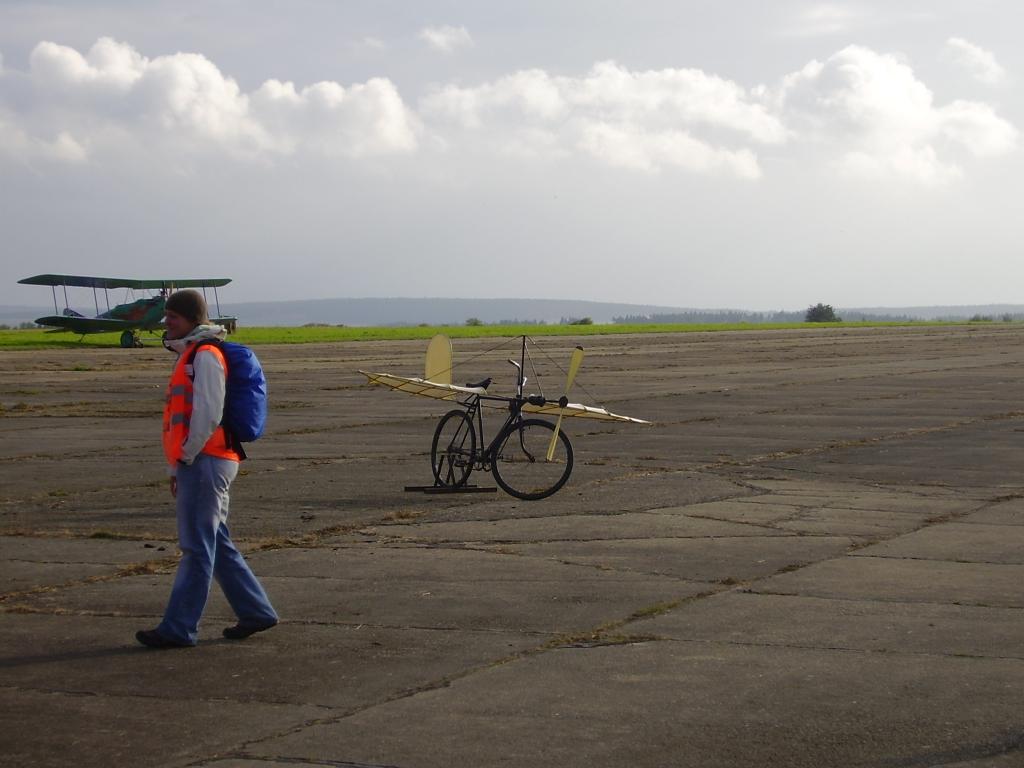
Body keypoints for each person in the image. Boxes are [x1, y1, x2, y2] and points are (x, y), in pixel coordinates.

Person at [136, 289, 277, 649]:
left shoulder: (206, 355)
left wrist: (185, 455)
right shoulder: (192, 354)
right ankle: (256, 611)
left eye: (173, 316)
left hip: (206, 460)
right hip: (200, 461)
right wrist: (176, 466)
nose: (167, 322)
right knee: (216, 543)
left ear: (192, 319)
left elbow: (209, 413)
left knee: (197, 548)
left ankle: (178, 628)